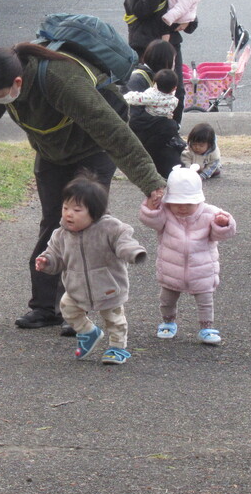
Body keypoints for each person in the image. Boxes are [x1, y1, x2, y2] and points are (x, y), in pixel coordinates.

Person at [0, 43, 165, 335]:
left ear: (18, 82)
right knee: (54, 223)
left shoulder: (60, 80)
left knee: (86, 224)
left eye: (2, 97)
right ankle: (44, 307)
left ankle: (80, 311)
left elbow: (112, 130)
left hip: (93, 149)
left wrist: (150, 182)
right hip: (51, 154)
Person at [35, 173, 147, 365]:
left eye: (77, 209)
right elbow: (55, 256)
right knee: (67, 308)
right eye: (65, 207)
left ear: (94, 213)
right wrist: (47, 261)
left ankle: (117, 348)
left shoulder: (109, 228)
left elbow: (124, 241)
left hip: (107, 285)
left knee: (114, 320)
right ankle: (89, 332)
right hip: (76, 287)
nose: (69, 213)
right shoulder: (60, 235)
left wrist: (133, 252)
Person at [139, 164, 236, 346]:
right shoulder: (166, 214)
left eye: (188, 204)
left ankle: (206, 327)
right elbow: (151, 220)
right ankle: (168, 322)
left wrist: (222, 224)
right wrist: (151, 206)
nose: (181, 208)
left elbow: (221, 234)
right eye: (176, 204)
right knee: (166, 299)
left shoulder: (210, 213)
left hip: (202, 270)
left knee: (205, 301)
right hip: (171, 268)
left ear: (198, 200)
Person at [123, 0, 198, 123]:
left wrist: (188, 24)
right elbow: (140, 11)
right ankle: (146, 128)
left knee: (177, 88)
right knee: (145, 88)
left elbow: (188, 9)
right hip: (145, 46)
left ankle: (174, 128)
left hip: (170, 45)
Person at [125, 69, 187, 180]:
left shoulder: (151, 96)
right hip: (163, 125)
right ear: (174, 88)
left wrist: (127, 95)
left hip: (148, 124)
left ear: (155, 83)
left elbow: (134, 98)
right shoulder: (174, 100)